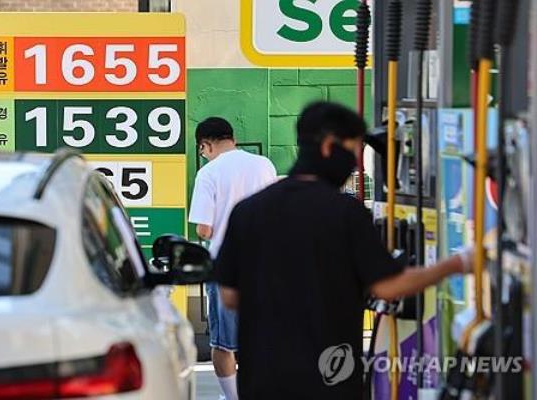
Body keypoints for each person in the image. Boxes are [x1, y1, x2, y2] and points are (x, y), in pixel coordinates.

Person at [214, 102, 474, 399]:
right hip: (330, 378)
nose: (356, 163)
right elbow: (388, 287)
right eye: (352, 151)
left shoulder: (248, 211)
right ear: (327, 147)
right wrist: (456, 263)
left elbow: (230, 296)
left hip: (261, 380)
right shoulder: (344, 212)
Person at [189, 117, 277, 400]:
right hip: (266, 266)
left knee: (223, 344)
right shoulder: (265, 165)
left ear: (205, 145)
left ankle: (233, 397)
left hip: (226, 268)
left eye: (202, 150)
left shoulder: (208, 173)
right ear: (232, 138)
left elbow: (204, 228)